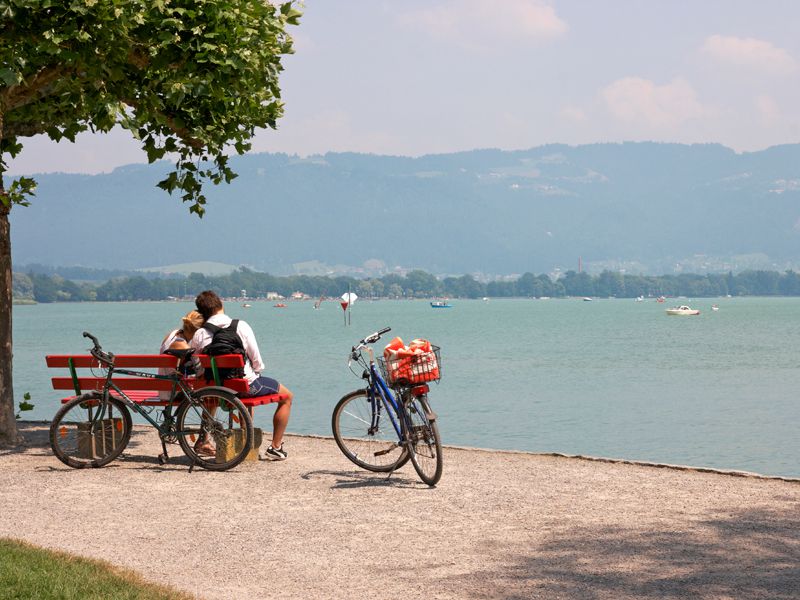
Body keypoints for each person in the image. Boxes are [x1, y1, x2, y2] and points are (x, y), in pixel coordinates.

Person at [190, 290, 293, 460]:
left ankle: (203, 439)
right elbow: (257, 362)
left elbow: (198, 368)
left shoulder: (199, 334)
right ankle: (275, 447)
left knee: (214, 396)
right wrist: (253, 373)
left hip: (214, 390)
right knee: (287, 397)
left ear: (202, 313)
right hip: (245, 388)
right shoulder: (241, 326)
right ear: (221, 304)